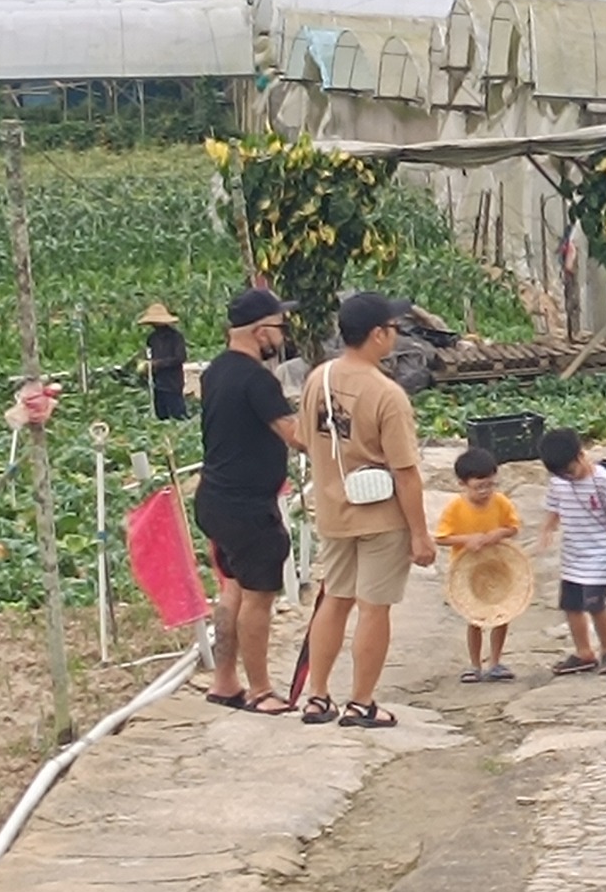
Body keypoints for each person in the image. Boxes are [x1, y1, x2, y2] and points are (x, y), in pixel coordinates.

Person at [292, 293, 432, 727]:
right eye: (393, 328)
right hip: (380, 515)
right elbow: (406, 472)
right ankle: (362, 701)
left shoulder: (319, 377)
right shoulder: (386, 394)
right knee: (374, 607)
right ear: (377, 335)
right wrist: (420, 534)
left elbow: (302, 437)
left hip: (333, 510)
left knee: (334, 599)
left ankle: (317, 696)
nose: (395, 335)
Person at [195, 288, 301, 715]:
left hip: (215, 499)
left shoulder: (215, 371)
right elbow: (295, 436)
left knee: (233, 590)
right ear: (261, 332)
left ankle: (225, 682)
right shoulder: (259, 379)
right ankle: (260, 690)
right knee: (259, 596)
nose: (282, 335)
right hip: (249, 507)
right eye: (278, 326)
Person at [537, 427, 606, 676]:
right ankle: (584, 652)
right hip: (573, 553)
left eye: (570, 471)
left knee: (595, 603)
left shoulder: (603, 481)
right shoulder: (559, 481)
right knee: (571, 604)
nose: (568, 478)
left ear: (581, 455)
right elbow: (553, 507)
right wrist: (547, 529)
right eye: (561, 475)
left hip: (600, 553)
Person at [435, 446, 524, 683]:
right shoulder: (455, 508)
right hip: (468, 571)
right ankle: (474, 664)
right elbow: (441, 537)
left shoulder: (501, 502)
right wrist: (466, 540)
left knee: (502, 615)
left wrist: (498, 534)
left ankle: (495, 662)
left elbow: (514, 527)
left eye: (490, 485)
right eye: (479, 487)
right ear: (462, 484)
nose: (485, 491)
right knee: (474, 619)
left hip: (497, 567)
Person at [139, 302, 188, 422]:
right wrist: (147, 366)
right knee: (161, 416)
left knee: (178, 415)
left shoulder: (176, 337)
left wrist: (158, 364)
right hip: (158, 383)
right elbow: (150, 355)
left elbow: (180, 357)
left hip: (172, 382)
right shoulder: (152, 338)